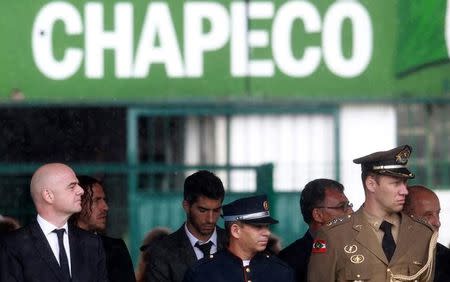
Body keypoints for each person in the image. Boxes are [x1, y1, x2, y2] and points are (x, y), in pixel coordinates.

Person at [308, 145, 437, 281]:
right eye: (396, 183)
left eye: (405, 183)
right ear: (371, 184)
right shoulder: (334, 235)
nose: (404, 191)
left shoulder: (423, 233)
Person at [0, 163, 108, 281]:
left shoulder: (92, 243)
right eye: (72, 186)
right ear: (48, 195)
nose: (81, 191)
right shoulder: (12, 245)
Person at [183, 194, 295, 282]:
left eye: (266, 227)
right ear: (235, 230)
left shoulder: (281, 271)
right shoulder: (202, 273)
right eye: (258, 227)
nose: (267, 233)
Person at [145, 170, 227, 282]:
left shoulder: (234, 244)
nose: (211, 219)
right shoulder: (162, 252)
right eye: (203, 210)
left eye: (216, 210)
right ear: (186, 206)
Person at [278, 178, 353, 282]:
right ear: (318, 215)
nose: (350, 212)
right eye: (342, 207)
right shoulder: (288, 262)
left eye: (349, 205)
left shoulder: (359, 249)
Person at [70, 175, 135, 282]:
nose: (105, 207)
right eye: (96, 200)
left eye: (104, 200)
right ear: (78, 202)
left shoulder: (115, 248)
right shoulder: (58, 244)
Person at [403, 185, 450, 282]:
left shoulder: (446, 260)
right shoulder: (385, 257)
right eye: (428, 215)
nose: (437, 223)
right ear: (405, 218)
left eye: (438, 213)